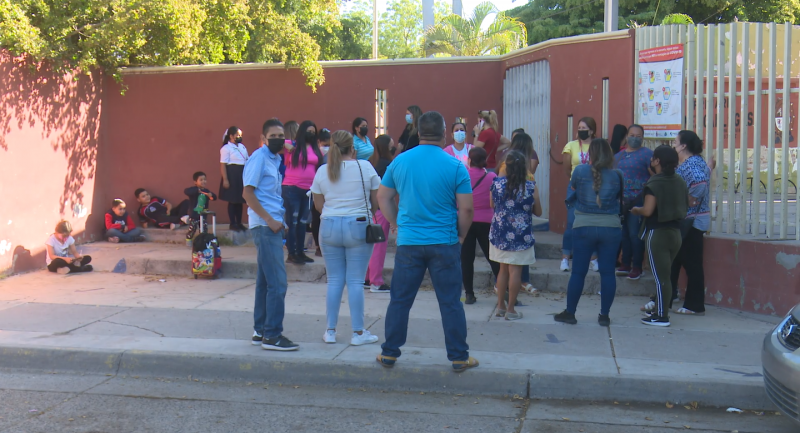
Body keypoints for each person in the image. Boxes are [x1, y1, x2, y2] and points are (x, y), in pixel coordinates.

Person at [377, 110, 479, 372]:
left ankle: (389, 353)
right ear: (445, 133)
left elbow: (383, 197)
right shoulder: (456, 166)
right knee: (449, 301)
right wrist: (461, 235)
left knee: (400, 299)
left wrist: (398, 224)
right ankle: (458, 356)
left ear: (419, 132)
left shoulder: (399, 162)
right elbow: (466, 209)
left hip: (410, 242)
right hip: (444, 242)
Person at [311, 130, 381, 346]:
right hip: (358, 225)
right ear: (353, 148)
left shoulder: (323, 171)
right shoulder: (365, 167)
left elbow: (318, 205)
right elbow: (376, 201)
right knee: (355, 282)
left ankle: (330, 331)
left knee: (334, 281)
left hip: (330, 225)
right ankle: (358, 333)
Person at [242, 118, 299, 351]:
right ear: (263, 139)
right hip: (265, 226)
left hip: (272, 224)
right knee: (278, 283)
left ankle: (261, 330)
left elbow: (270, 194)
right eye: (272, 136)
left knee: (265, 281)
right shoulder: (259, 158)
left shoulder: (275, 159)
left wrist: (279, 220)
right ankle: (272, 335)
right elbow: (248, 193)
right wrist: (269, 220)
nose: (277, 140)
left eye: (280, 136)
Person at [554, 138, 623, 326]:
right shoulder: (618, 175)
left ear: (590, 154)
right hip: (611, 227)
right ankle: (604, 316)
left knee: (578, 272)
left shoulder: (580, 171)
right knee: (608, 273)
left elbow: (573, 192)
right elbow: (619, 199)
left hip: (583, 225)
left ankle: (570, 312)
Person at [631, 145, 688, 327]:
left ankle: (661, 315)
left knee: (660, 277)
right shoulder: (679, 180)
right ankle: (660, 311)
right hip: (676, 232)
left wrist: (636, 210)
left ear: (657, 161)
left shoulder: (654, 183)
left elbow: (648, 210)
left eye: (653, 158)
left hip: (658, 233)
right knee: (666, 274)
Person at [490, 151, 542, 321]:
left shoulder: (496, 184)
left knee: (503, 270)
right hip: (521, 236)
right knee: (515, 272)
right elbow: (539, 212)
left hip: (499, 233)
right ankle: (511, 310)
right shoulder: (530, 187)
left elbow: (492, 205)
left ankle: (500, 307)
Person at [670, 130, 710, 316]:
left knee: (691, 263)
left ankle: (694, 305)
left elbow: (700, 183)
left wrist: (690, 199)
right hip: (689, 220)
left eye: (676, 141)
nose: (674, 144)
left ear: (683, 145)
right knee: (674, 261)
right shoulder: (696, 162)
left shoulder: (690, 164)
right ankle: (665, 298)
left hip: (691, 221)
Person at [496, 132, 540, 294]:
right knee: (512, 266)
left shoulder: (508, 168)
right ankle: (510, 302)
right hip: (518, 223)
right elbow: (538, 209)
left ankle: (503, 302)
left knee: (508, 265)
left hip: (504, 223)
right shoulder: (514, 171)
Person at [461, 147, 499, 304]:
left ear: (469, 160)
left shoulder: (463, 175)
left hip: (465, 220)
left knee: (466, 259)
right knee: (493, 258)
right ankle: (505, 289)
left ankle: (469, 294)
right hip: (486, 221)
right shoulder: (492, 177)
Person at [282, 120, 323, 265]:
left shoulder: (313, 148)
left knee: (302, 223)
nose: (311, 134)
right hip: (291, 188)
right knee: (292, 222)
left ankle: (300, 252)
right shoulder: (292, 145)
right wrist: (285, 145)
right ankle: (291, 253)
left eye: (313, 132)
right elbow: (273, 141)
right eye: (308, 131)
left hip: (308, 190)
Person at [614, 124, 652, 280]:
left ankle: (637, 266)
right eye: (632, 135)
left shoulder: (647, 154)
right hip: (621, 202)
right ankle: (625, 264)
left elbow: (654, 176)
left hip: (639, 201)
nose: (634, 139)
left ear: (642, 138)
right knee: (623, 235)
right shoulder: (618, 157)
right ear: (626, 136)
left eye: (638, 136)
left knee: (635, 234)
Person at [561, 117, 598, 272]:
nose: (581, 130)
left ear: (592, 131)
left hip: (594, 186)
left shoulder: (598, 146)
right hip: (575, 186)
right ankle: (565, 258)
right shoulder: (571, 145)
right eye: (580, 127)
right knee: (571, 222)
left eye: (585, 128)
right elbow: (567, 168)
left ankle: (594, 258)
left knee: (593, 223)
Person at [365, 134, 394, 293]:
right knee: (379, 246)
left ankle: (368, 278)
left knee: (370, 244)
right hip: (382, 208)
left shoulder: (372, 163)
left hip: (371, 207)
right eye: (391, 144)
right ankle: (376, 281)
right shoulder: (388, 164)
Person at [219, 126, 249, 232]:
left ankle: (239, 222)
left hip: (241, 174)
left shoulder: (242, 147)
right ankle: (233, 223)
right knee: (232, 200)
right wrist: (225, 179)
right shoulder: (226, 148)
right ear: (231, 136)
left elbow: (246, 159)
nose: (239, 137)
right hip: (232, 175)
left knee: (240, 200)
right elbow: (223, 165)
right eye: (237, 135)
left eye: (240, 135)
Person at [311, 128, 332, 257]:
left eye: (329, 145)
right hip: (315, 188)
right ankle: (318, 246)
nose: (327, 148)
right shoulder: (313, 154)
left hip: (329, 188)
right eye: (325, 145)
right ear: (318, 142)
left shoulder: (333, 154)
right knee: (316, 218)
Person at [185, 171, 218, 241]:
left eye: (205, 179)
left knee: (204, 229)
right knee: (192, 229)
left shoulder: (206, 191)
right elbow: (186, 191)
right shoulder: (194, 190)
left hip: (203, 214)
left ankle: (202, 241)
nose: (203, 181)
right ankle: (189, 239)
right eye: (201, 180)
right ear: (195, 182)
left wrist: (211, 195)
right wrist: (197, 190)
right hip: (194, 214)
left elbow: (214, 197)